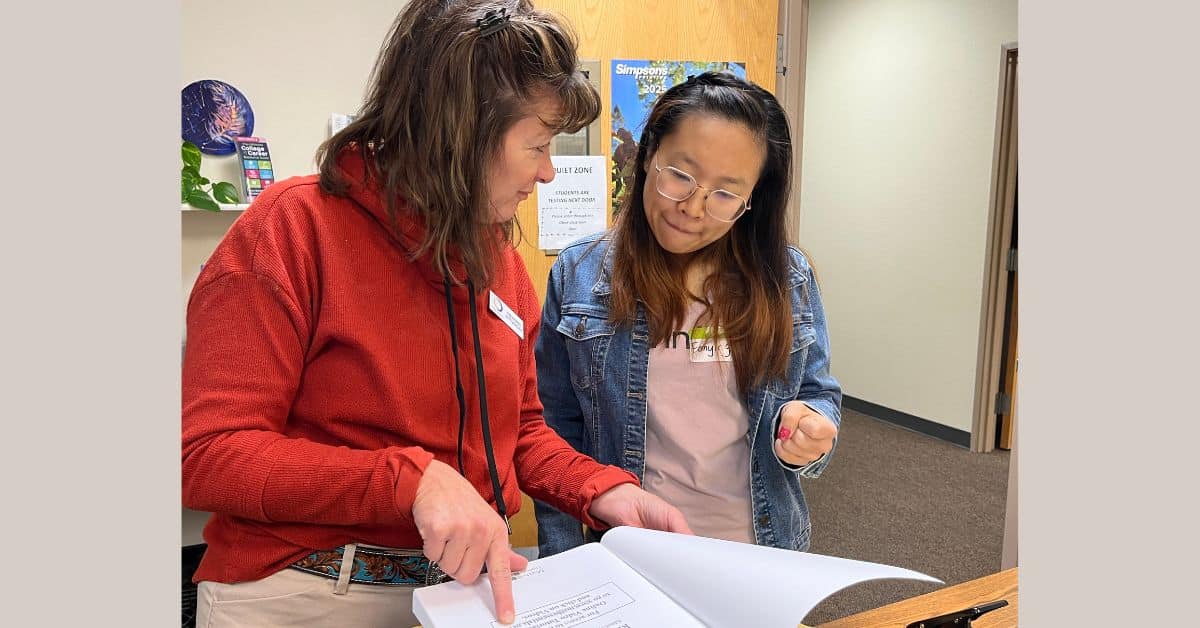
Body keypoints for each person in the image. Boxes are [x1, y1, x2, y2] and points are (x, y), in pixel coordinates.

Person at [181, 2, 691, 626]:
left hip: (466, 590)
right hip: (311, 590)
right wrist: (409, 480)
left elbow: (519, 430)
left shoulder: (494, 255)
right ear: (458, 133)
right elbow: (208, 456)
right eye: (535, 144)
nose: (548, 171)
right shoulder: (292, 230)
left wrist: (600, 489)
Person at [534, 71, 842, 559]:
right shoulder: (580, 272)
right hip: (632, 551)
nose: (693, 208)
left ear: (751, 201)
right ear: (648, 155)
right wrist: (564, 564)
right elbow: (554, 435)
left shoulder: (787, 277)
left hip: (760, 547)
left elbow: (816, 393)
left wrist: (811, 429)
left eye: (724, 194)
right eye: (680, 175)